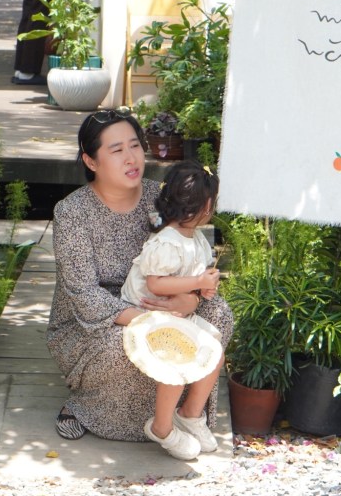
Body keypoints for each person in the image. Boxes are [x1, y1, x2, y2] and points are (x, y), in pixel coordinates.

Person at [47, 109, 234, 455]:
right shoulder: (72, 213)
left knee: (217, 314)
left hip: (165, 301)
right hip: (95, 323)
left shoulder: (159, 197)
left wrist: (192, 299)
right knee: (132, 344)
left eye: (135, 145)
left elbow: (190, 256)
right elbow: (85, 296)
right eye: (117, 150)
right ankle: (88, 408)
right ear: (91, 161)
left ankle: (184, 414)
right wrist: (159, 319)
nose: (131, 157)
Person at [119, 161, 224, 459]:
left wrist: (203, 289)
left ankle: (190, 414)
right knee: (178, 359)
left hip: (173, 313)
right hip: (145, 313)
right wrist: (197, 282)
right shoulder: (167, 241)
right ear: (206, 205)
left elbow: (190, 279)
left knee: (215, 350)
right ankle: (161, 427)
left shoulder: (196, 239)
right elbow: (156, 284)